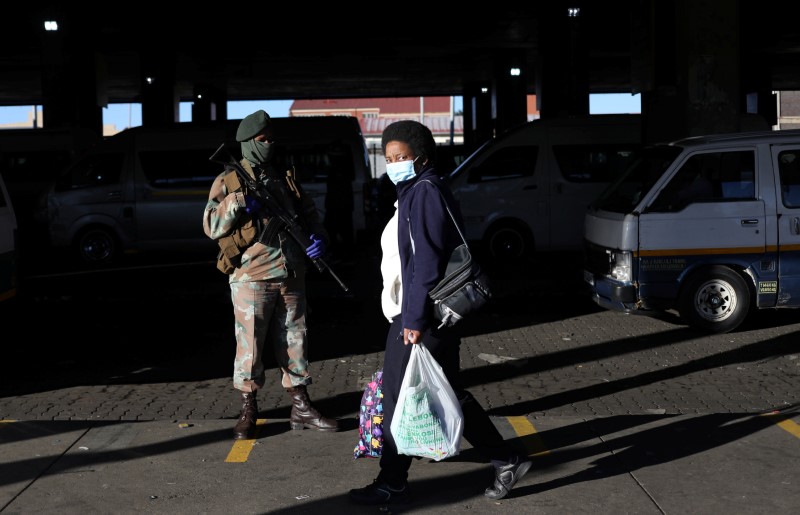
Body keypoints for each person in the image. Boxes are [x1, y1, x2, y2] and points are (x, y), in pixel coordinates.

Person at [349, 120, 532, 505]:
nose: (394, 163)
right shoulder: (415, 191)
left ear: (422, 157)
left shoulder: (425, 192)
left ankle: (393, 482)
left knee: (399, 395)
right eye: (389, 158)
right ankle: (507, 459)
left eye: (402, 157)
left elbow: (427, 263)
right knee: (446, 391)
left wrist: (413, 320)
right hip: (425, 314)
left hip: (421, 314)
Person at [202, 110, 338, 440]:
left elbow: (308, 214)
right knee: (250, 345)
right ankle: (249, 408)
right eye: (262, 141)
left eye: (271, 139)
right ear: (248, 143)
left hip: (291, 270)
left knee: (295, 338)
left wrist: (318, 239)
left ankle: (301, 404)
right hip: (252, 274)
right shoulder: (228, 180)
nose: (268, 145)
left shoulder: (283, 175)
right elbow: (210, 225)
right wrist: (238, 204)